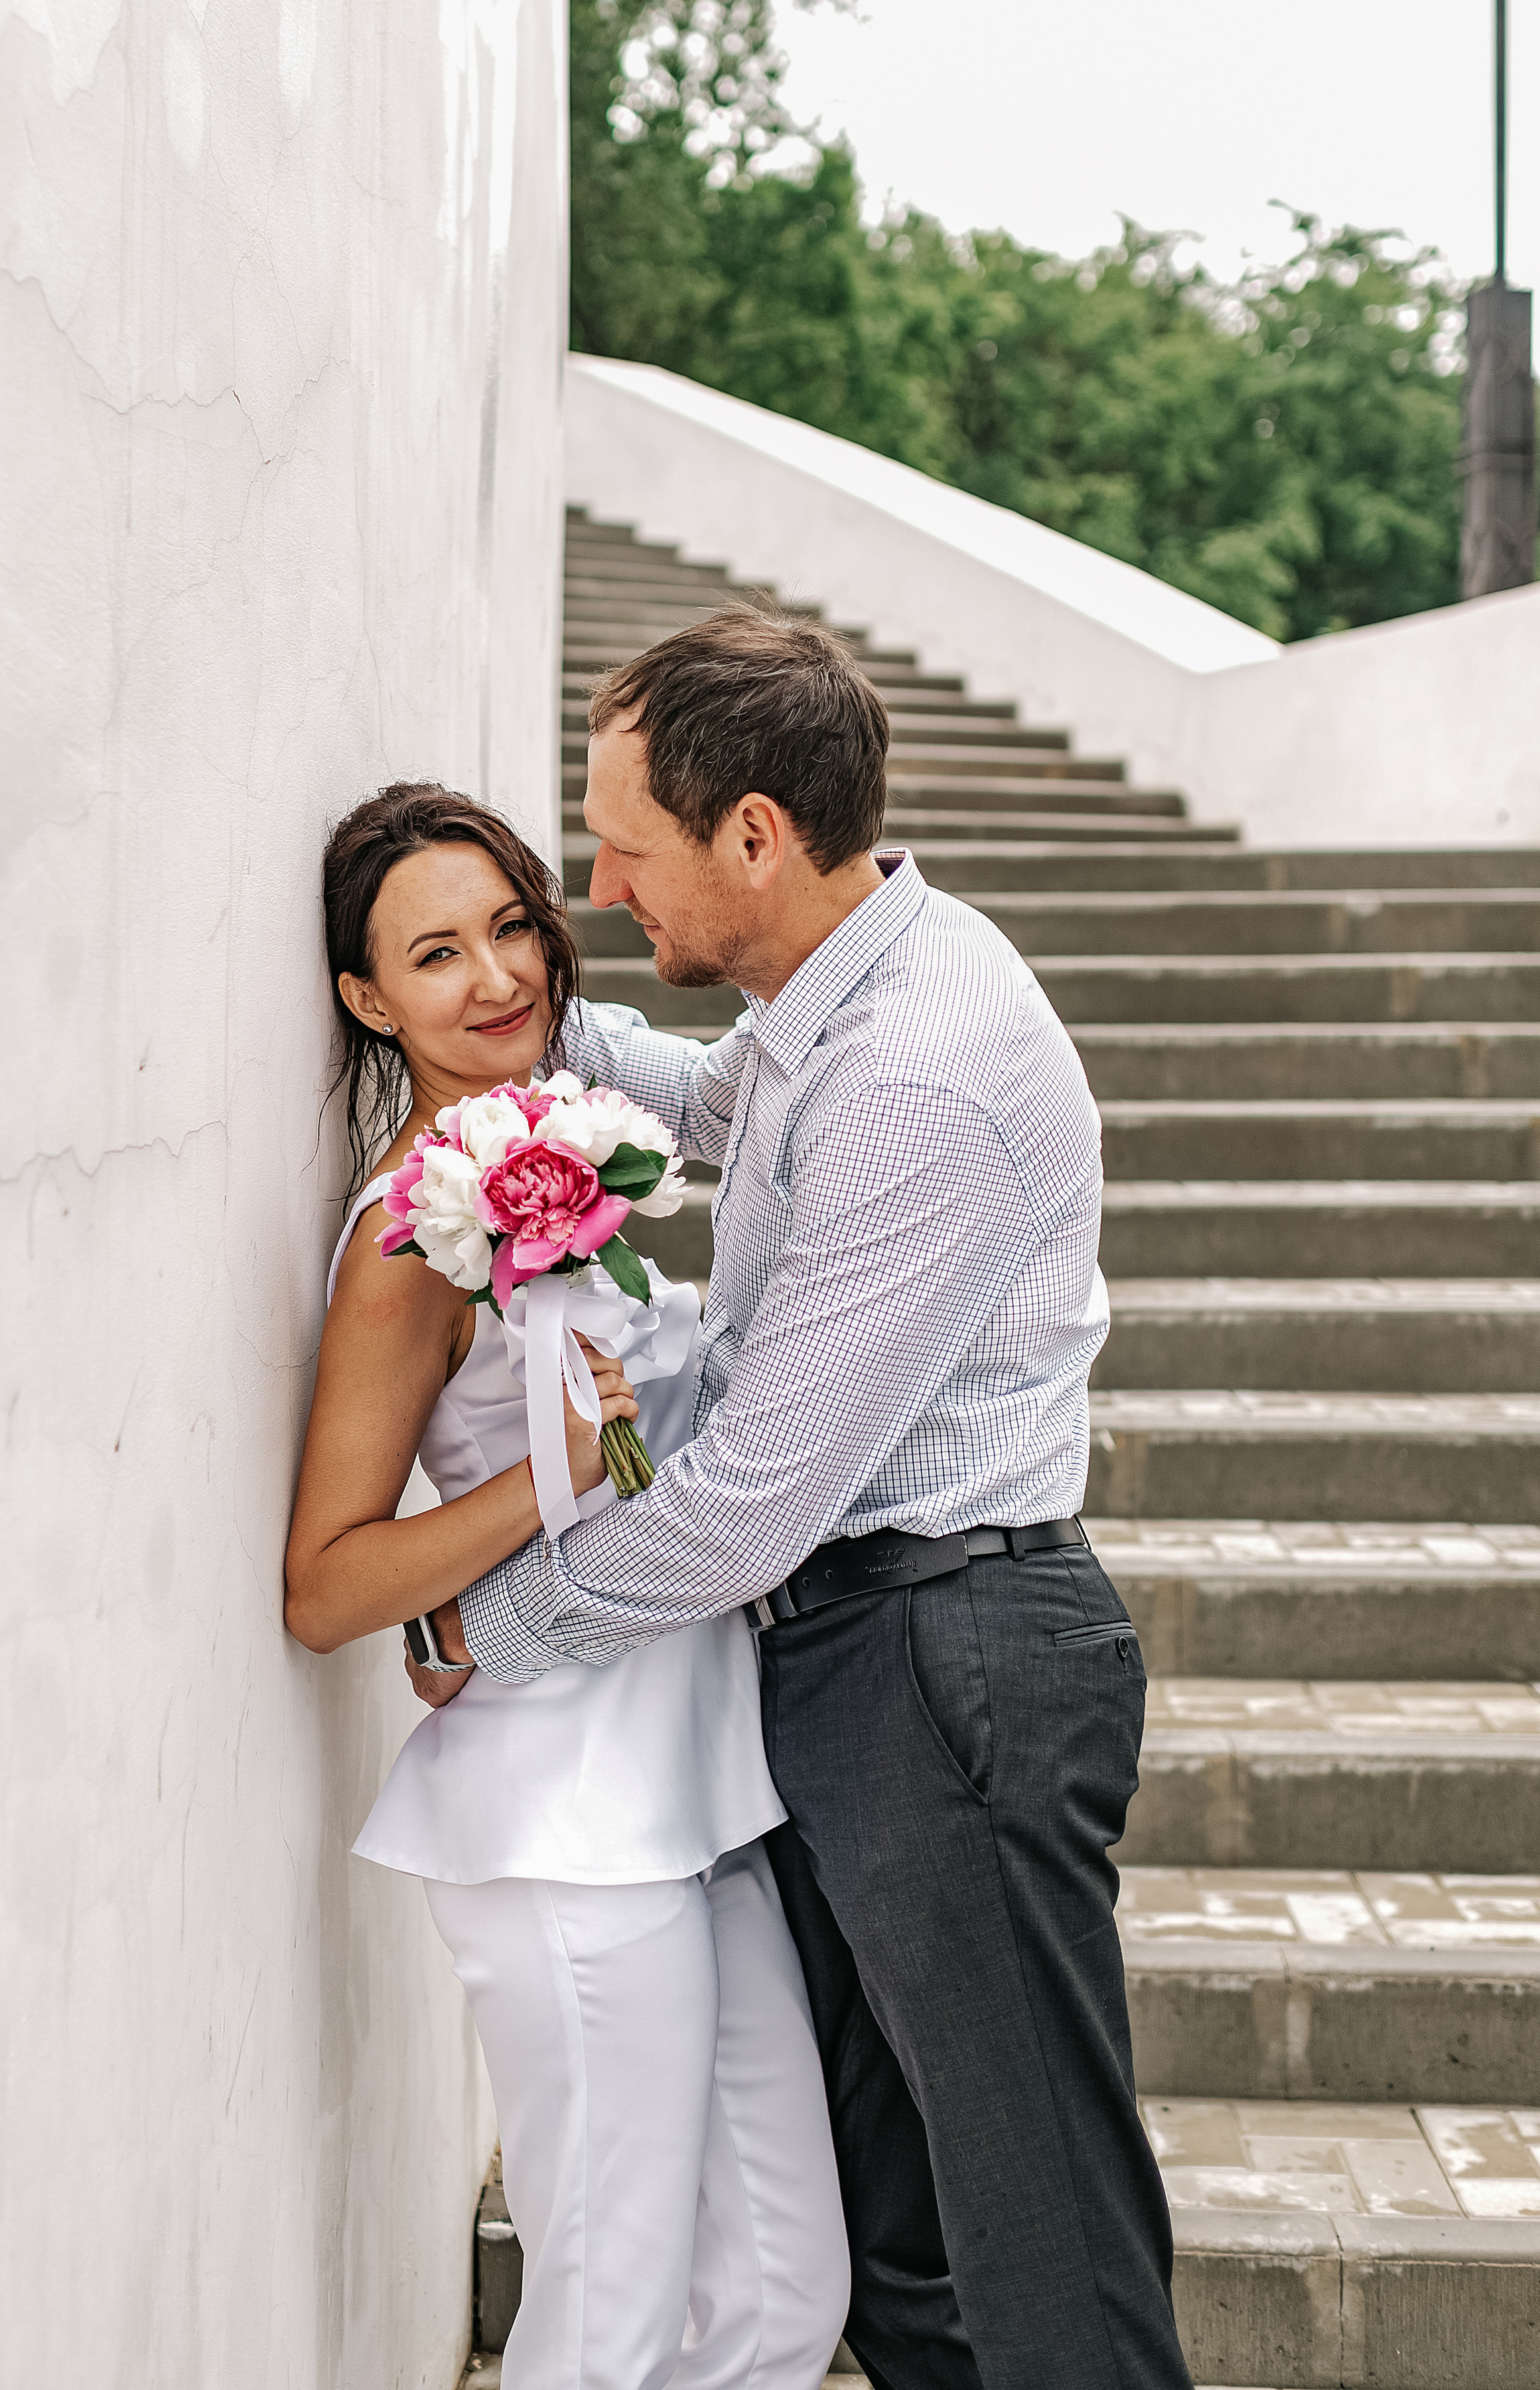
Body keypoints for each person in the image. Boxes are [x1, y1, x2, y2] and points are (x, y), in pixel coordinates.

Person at [419, 610, 1196, 2390]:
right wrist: (554, 1034)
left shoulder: (922, 1067)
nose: (601, 883)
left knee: (1038, 2242)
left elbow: (746, 1498)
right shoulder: (836, 989)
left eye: (625, 843)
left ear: (755, 833)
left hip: (949, 1665)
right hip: (874, 1653)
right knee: (901, 2240)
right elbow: (724, 1111)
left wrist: (495, 1621)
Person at [283, 783, 849, 2390]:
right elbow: (326, 1585)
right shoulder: (411, 1236)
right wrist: (557, 1482)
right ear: (366, 998)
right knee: (600, 2321)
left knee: (783, 2298)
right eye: (435, 953)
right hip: (558, 1828)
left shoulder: (572, 1166)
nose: (496, 978)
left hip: (697, 1797)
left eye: (512, 927)